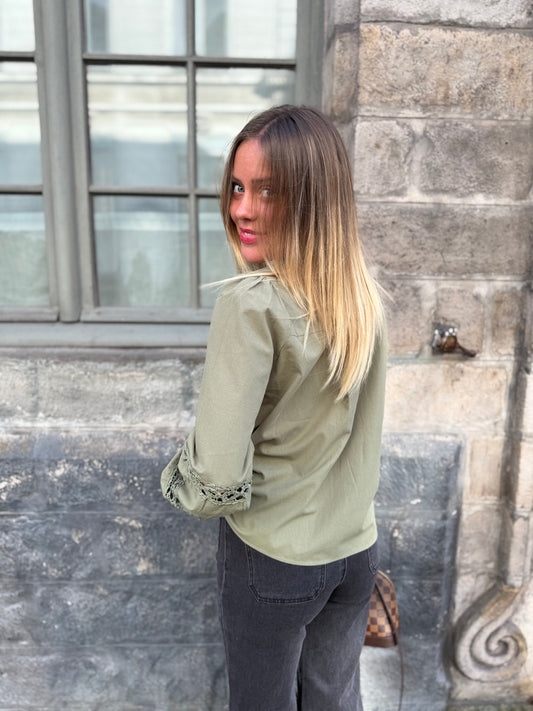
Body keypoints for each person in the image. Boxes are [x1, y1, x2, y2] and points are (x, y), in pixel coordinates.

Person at [161, 105, 387, 711]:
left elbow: (213, 482)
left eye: (267, 191)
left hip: (274, 559)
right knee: (335, 700)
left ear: (313, 199)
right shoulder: (363, 296)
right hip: (355, 553)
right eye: (238, 187)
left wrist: (176, 478)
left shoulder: (251, 304)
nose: (241, 209)